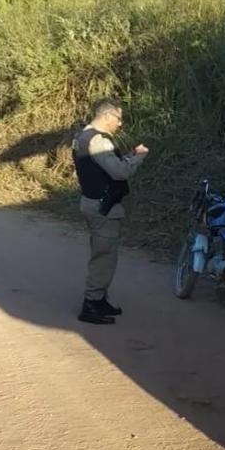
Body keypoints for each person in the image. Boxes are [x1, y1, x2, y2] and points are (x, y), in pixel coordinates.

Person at [71, 98, 149, 325]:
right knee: (104, 257)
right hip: (102, 208)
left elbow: (104, 166)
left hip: (93, 203)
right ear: (106, 116)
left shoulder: (83, 136)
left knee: (103, 253)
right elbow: (119, 172)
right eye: (118, 118)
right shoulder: (99, 140)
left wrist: (129, 156)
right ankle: (91, 304)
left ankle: (100, 299)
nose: (120, 123)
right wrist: (139, 158)